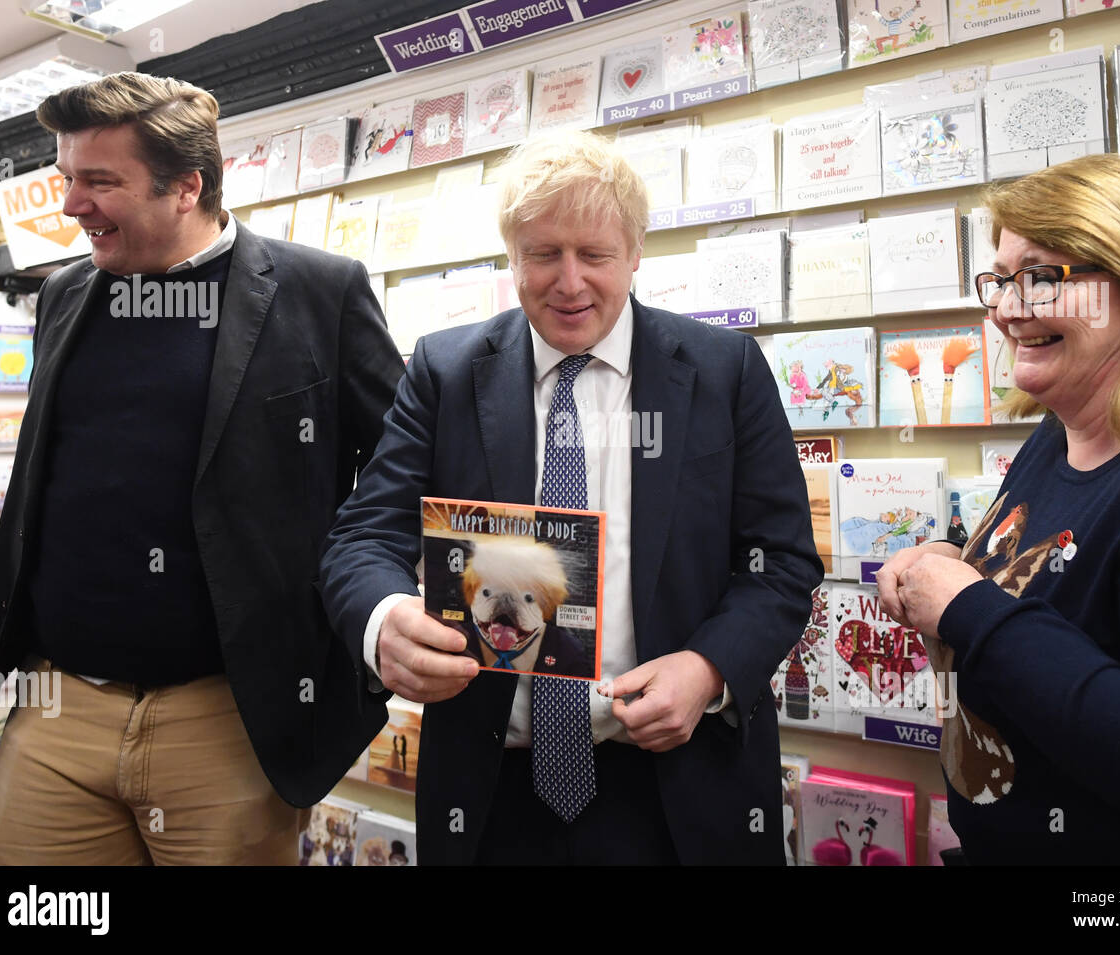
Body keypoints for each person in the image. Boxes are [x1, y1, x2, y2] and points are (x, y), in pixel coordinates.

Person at [320, 130, 822, 865]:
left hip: (678, 784)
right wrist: (384, 619)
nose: (569, 282)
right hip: (494, 790)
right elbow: (362, 538)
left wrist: (708, 669)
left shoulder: (724, 372)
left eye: (594, 255)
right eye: (543, 254)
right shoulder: (446, 371)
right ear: (512, 255)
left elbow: (780, 561)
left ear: (636, 252)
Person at [0, 72, 402, 864]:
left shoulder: (319, 293)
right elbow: (34, 499)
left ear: (187, 186)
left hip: (228, 724)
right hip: (58, 711)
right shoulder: (66, 297)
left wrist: (375, 610)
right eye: (68, 178)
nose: (71, 205)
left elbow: (405, 472)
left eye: (99, 182)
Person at [876, 153, 1120, 864]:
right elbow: (1062, 598)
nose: (1005, 308)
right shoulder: (1061, 433)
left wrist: (971, 609)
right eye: (1001, 280)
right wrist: (958, 569)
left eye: (1042, 278)